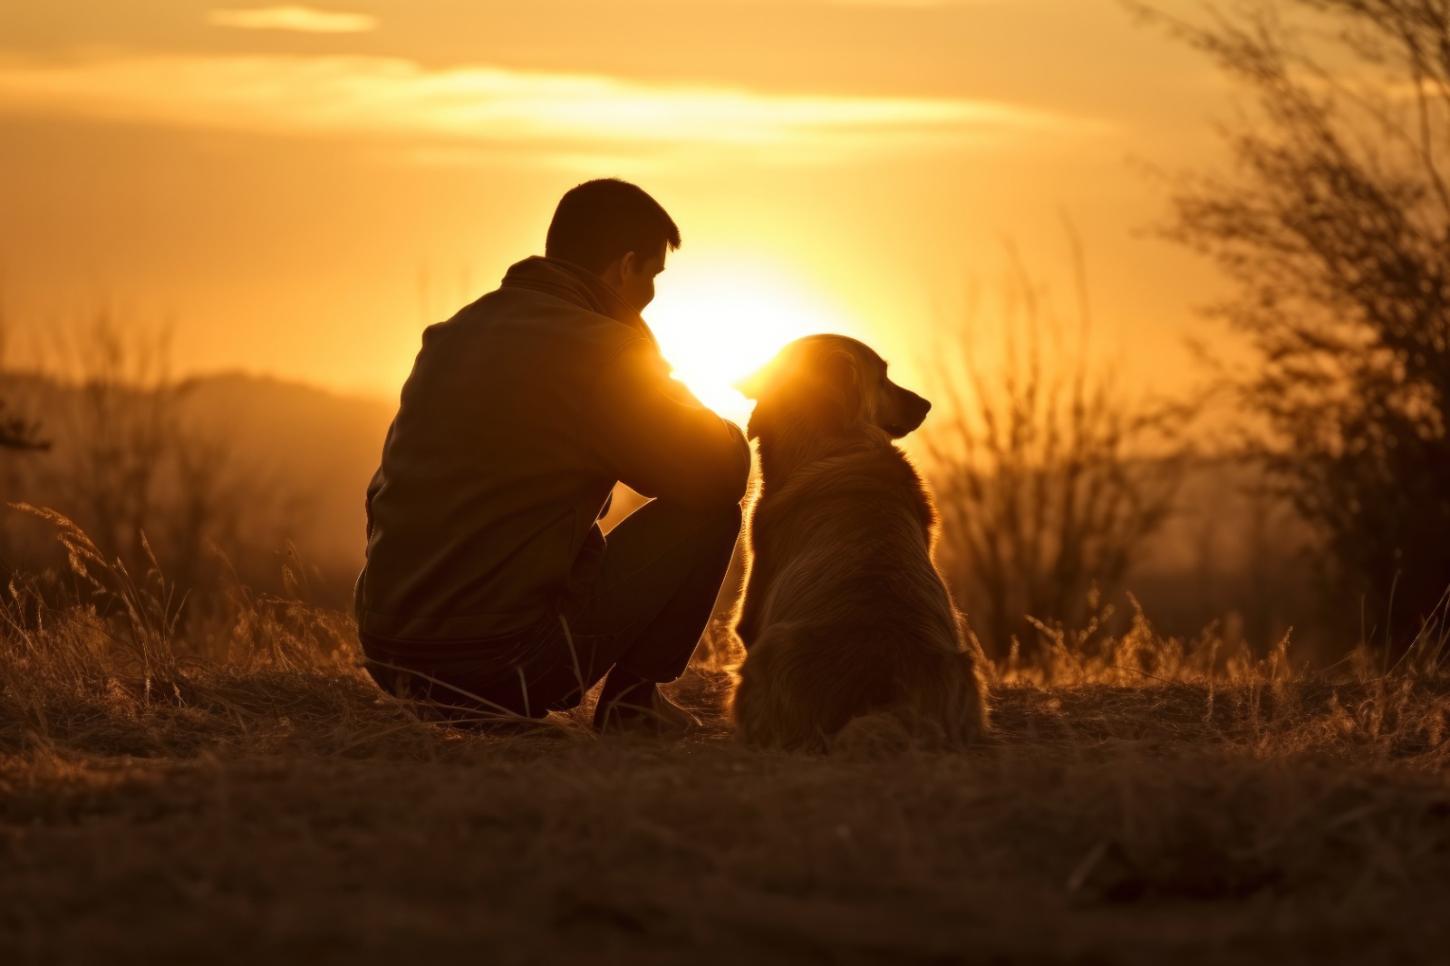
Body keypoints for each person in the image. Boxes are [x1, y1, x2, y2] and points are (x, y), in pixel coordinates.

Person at [354, 179, 750, 735]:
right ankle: (634, 703)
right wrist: (654, 366)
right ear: (624, 266)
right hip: (499, 664)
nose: (654, 294)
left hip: (391, 656)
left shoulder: (454, 333)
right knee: (710, 512)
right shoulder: (603, 351)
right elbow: (717, 471)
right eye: (653, 275)